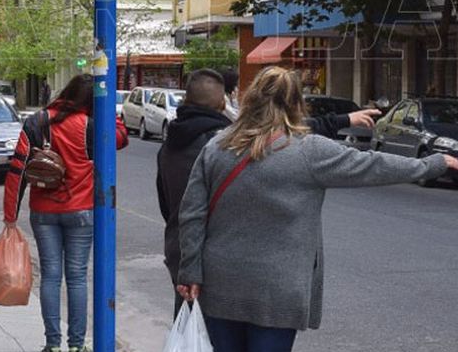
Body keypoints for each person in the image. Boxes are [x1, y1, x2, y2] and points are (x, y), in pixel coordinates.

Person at [176, 67, 458, 352]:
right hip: (280, 287)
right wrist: (432, 164)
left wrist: (190, 272)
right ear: (297, 103)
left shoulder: (217, 147)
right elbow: (373, 165)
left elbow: (192, 214)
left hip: (220, 281)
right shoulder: (308, 151)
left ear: (249, 99)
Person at [156, 68, 383, 314]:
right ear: (223, 102)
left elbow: (166, 203)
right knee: (214, 340)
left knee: (189, 334)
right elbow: (282, 135)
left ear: (185, 100)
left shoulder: (170, 146)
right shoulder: (223, 145)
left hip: (179, 250)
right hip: (216, 256)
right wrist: (343, 120)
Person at [3, 74, 129, 352]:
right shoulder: (93, 126)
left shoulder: (38, 121)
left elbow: (17, 168)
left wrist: (10, 216)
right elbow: (121, 138)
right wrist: (110, 109)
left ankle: (52, 346)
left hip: (44, 211)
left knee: (50, 276)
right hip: (82, 211)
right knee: (76, 277)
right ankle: (76, 348)